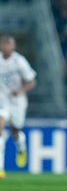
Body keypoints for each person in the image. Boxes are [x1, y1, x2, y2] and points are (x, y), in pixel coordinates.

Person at [0, 36, 37, 179]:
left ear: (13, 47)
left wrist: (20, 91)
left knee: (15, 131)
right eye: (4, 44)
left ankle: (21, 146)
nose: (6, 47)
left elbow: (31, 80)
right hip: (2, 101)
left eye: (9, 45)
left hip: (17, 102)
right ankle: (1, 169)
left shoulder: (19, 61)